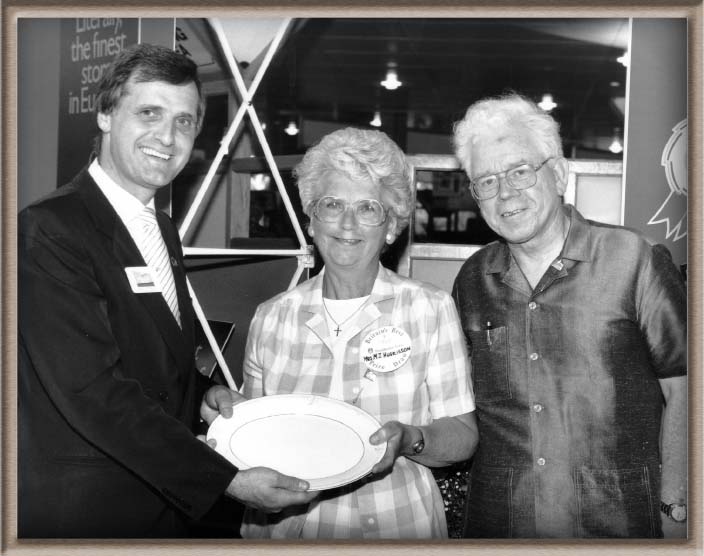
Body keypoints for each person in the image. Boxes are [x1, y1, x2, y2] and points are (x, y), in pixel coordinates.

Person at [18, 43, 315, 538]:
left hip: (157, 505)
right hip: (88, 513)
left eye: (184, 121)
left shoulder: (161, 230)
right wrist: (226, 480)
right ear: (105, 115)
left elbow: (148, 360)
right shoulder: (49, 229)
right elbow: (91, 390)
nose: (167, 136)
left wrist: (202, 393)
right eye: (149, 113)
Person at [221, 127, 478, 539]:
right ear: (311, 220)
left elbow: (462, 437)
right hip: (286, 529)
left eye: (367, 208)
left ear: (391, 226)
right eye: (332, 204)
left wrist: (410, 438)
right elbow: (256, 436)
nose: (346, 223)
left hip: (396, 526)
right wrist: (226, 417)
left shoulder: (428, 309)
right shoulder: (272, 317)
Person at [451, 93, 687, 538]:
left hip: (617, 524)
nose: (506, 193)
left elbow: (686, 387)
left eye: (520, 171)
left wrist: (676, 504)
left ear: (558, 174)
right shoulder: (473, 280)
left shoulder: (634, 260)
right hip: (502, 524)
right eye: (486, 181)